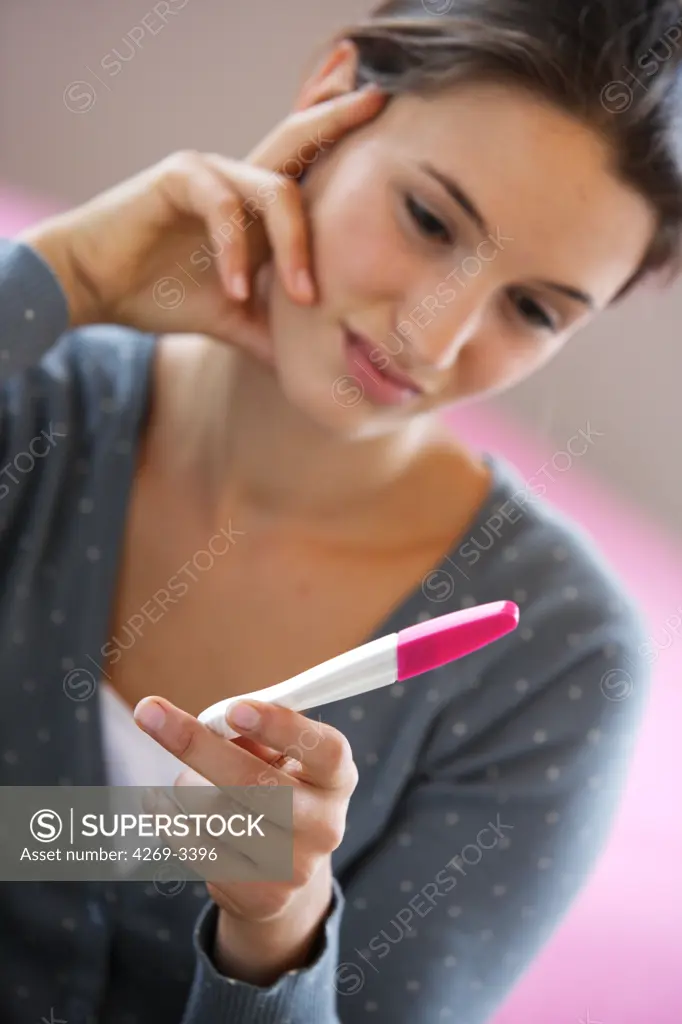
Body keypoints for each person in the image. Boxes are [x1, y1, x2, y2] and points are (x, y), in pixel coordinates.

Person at [1, 1, 680, 1021]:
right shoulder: (34, 385)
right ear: (331, 100)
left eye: (532, 309)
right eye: (430, 220)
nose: (433, 334)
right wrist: (64, 279)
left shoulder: (559, 658)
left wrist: (278, 928)